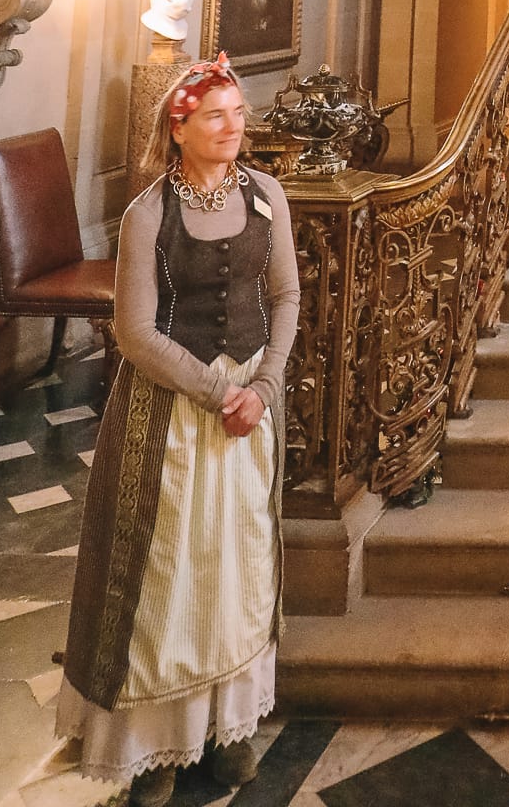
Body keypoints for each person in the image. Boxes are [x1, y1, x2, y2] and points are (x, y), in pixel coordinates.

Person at [57, 57, 299, 805]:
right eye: (217, 115)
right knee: (169, 575)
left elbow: (286, 297)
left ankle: (232, 727)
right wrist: (216, 388)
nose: (235, 127)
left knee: (238, 565)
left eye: (238, 113)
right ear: (180, 127)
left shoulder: (267, 197)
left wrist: (262, 387)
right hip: (171, 418)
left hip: (248, 416)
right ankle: (157, 747)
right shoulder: (147, 215)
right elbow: (133, 332)